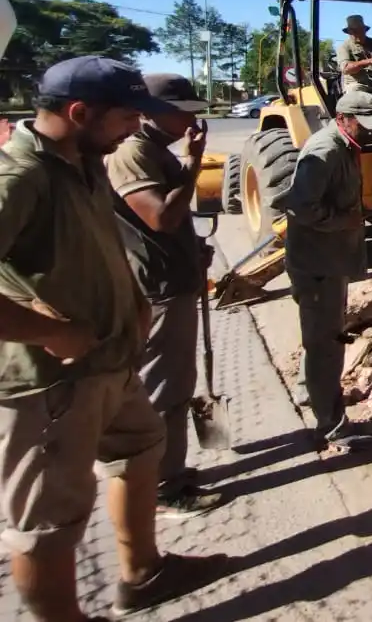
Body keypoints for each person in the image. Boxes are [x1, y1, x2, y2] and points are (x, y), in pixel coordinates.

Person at [0, 57, 224, 620]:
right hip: (53, 381)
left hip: (109, 357)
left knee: (140, 448)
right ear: (80, 112)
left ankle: (144, 572)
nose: (134, 128)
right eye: (127, 117)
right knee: (49, 522)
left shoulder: (84, 160)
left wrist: (135, 300)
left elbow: (104, 246)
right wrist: (51, 331)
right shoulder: (19, 178)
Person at [106, 73, 227, 520]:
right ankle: (162, 489)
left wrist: (192, 247)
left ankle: (171, 470)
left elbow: (172, 222)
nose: (193, 121)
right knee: (164, 389)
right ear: (155, 112)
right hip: (157, 288)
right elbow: (158, 218)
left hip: (176, 278)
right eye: (186, 112)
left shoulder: (156, 151)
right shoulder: (132, 154)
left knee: (178, 383)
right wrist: (194, 163)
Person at [276, 91, 372, 450]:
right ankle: (331, 425)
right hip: (317, 265)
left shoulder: (345, 144)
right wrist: (346, 219)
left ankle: (312, 393)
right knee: (326, 343)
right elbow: (300, 207)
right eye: (363, 125)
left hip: (329, 260)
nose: (369, 133)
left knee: (321, 336)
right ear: (342, 118)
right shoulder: (325, 152)